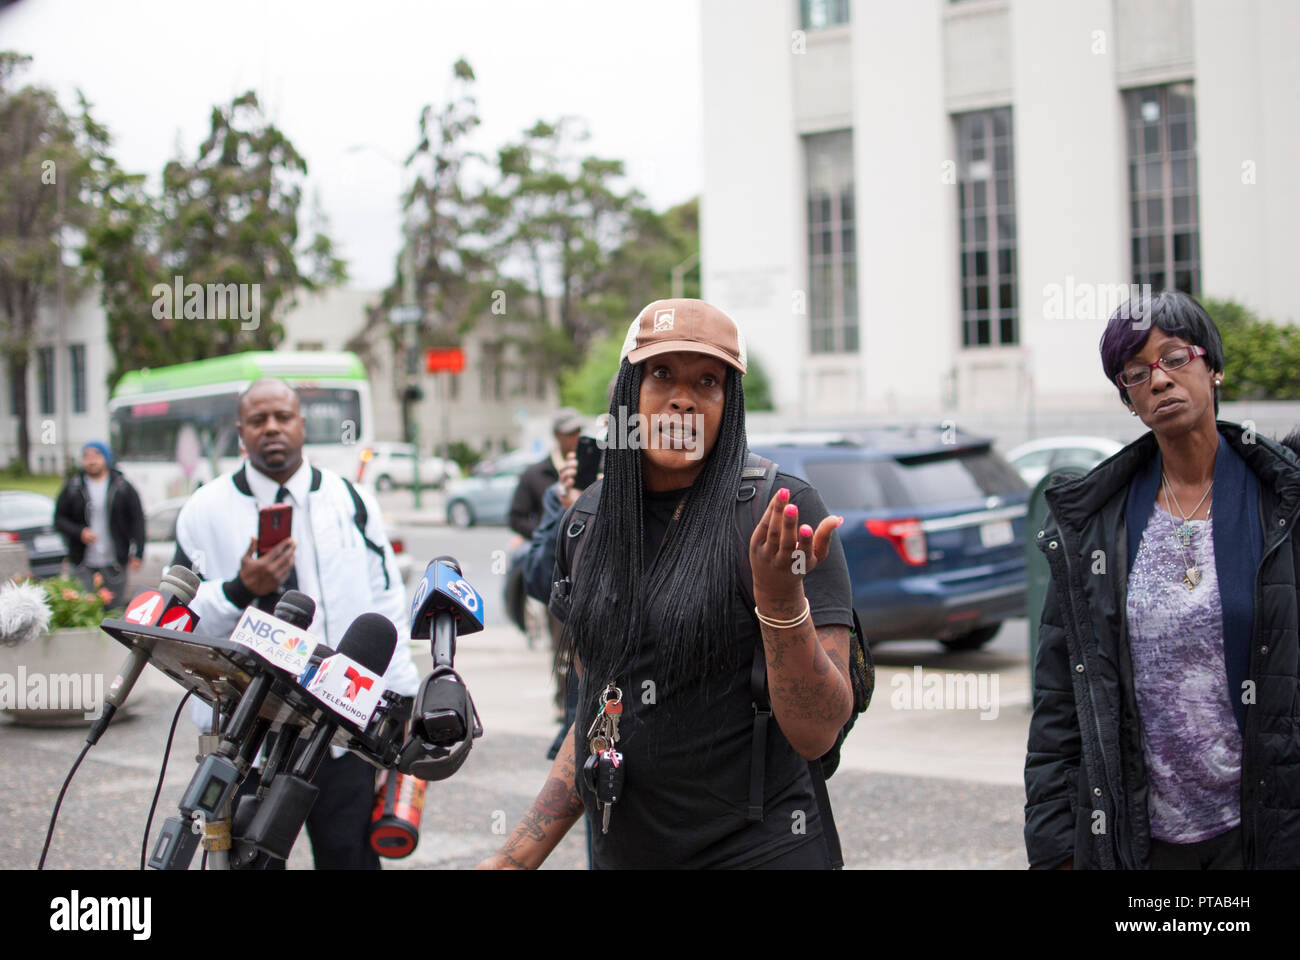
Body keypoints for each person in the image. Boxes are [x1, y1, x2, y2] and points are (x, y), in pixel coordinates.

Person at [480, 298, 856, 869]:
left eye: (708, 381)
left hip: (763, 849)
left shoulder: (777, 511)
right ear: (628, 394)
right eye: (662, 374)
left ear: (729, 406)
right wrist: (513, 858)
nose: (683, 397)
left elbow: (817, 732)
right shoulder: (586, 523)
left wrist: (781, 602)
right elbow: (599, 714)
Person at [1025, 290, 1300, 870]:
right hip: (1142, 842)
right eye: (1136, 373)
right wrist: (1054, 852)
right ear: (1128, 398)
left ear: (1213, 367)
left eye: (1175, 358)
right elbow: (1059, 703)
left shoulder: (1279, 500)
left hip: (1264, 831)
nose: (1159, 381)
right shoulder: (1097, 523)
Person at [172, 378, 419, 869]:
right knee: (251, 860)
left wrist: (401, 692)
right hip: (246, 730)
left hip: (338, 723)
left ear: (302, 426)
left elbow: (386, 598)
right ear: (240, 432)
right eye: (258, 420)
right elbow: (183, 618)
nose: (272, 430)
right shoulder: (204, 508)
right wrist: (240, 589)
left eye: (282, 418)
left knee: (347, 854)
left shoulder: (350, 499)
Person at [54, 441, 145, 609]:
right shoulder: (73, 487)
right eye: (87, 456)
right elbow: (59, 520)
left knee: (114, 611)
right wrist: (79, 532)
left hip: (115, 561)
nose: (91, 460)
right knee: (85, 610)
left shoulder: (123, 487)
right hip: (83, 562)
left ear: (106, 458)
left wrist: (138, 553)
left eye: (96, 455)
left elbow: (138, 521)